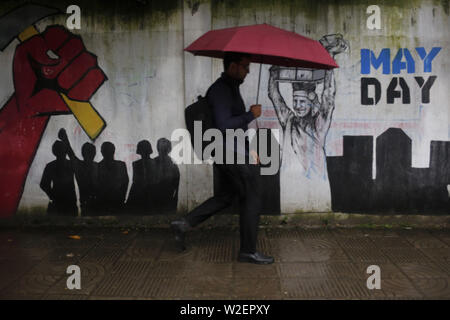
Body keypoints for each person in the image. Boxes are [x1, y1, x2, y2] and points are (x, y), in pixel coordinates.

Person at [171, 52, 274, 264]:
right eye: (245, 66)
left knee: (227, 195)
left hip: (232, 151)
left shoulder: (230, 88)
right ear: (233, 66)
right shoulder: (220, 90)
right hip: (228, 153)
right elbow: (223, 125)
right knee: (252, 196)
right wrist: (250, 115)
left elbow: (233, 128)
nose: (248, 70)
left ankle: (184, 224)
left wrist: (248, 149)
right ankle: (248, 251)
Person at [267, 34, 348, 212]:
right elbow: (275, 96)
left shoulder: (318, 125)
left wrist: (329, 65)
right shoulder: (288, 120)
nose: (297, 106)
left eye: (302, 102)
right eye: (295, 101)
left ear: (311, 102)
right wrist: (273, 74)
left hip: (316, 182)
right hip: (289, 182)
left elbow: (329, 96)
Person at [58, 128, 99, 216]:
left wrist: (65, 138)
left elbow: (70, 152)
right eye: (91, 152)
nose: (91, 154)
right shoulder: (97, 166)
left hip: (87, 203)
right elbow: (70, 152)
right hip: (93, 203)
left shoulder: (80, 166)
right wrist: (65, 138)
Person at [40, 140, 78, 216]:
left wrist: (53, 196)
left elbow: (43, 184)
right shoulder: (71, 164)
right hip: (69, 202)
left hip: (58, 203)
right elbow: (43, 184)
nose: (61, 152)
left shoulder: (50, 166)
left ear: (54, 151)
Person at [96, 142, 129, 215]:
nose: (108, 153)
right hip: (105, 204)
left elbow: (125, 182)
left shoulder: (98, 166)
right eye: (106, 150)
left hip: (116, 202)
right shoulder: (98, 166)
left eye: (109, 150)